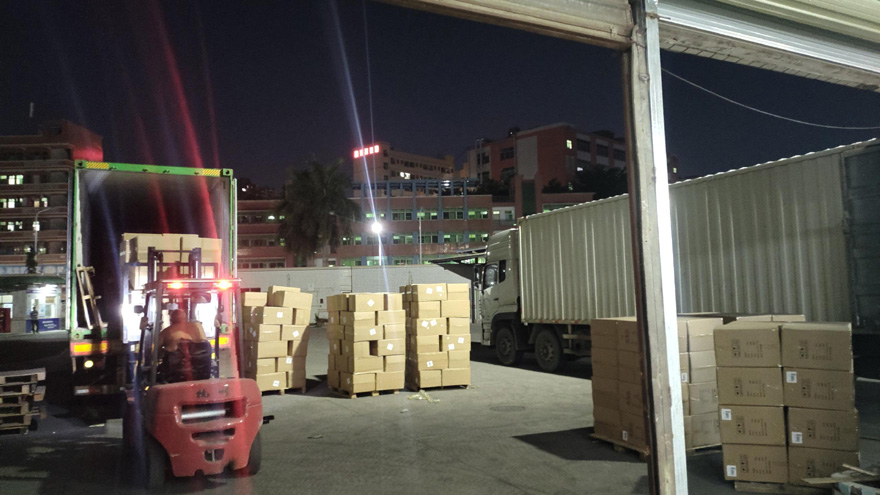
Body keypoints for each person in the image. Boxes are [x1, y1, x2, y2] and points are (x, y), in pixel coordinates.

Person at [158, 309, 210, 382]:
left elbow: (154, 352)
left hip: (175, 375)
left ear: (171, 320)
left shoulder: (166, 332)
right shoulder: (197, 328)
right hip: (202, 373)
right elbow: (206, 345)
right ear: (185, 318)